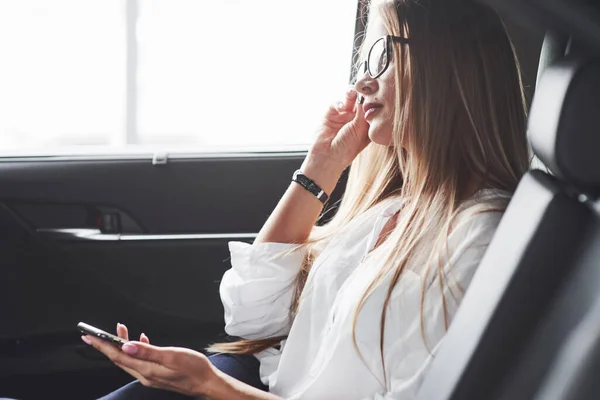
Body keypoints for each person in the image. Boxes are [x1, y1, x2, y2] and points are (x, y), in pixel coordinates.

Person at [84, 0, 530, 398]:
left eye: (385, 54)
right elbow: (251, 315)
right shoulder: (394, 208)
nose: (363, 80)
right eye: (367, 56)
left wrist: (210, 385)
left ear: (447, 69)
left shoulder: (477, 237)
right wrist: (320, 167)